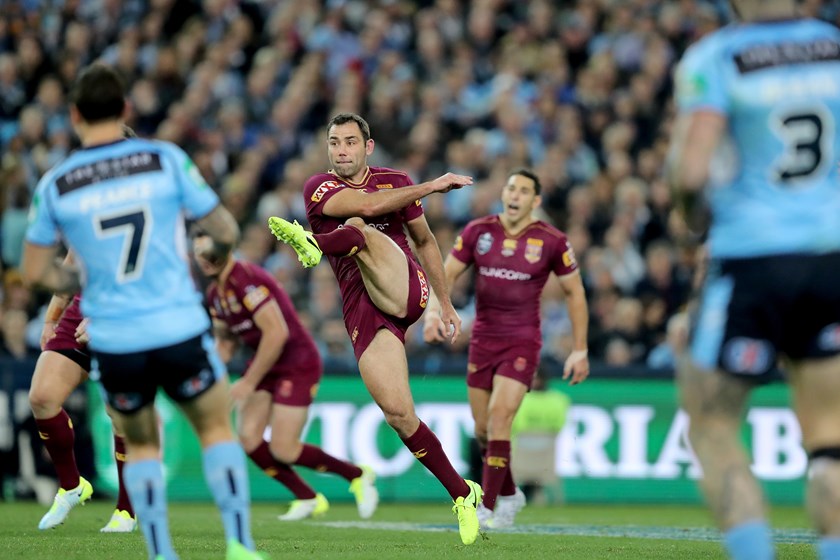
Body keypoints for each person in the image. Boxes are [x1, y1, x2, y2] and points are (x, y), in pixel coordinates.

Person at [21, 64, 266, 560]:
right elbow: (223, 229)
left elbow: (37, 269)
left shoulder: (59, 183)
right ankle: (239, 544)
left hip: (114, 328)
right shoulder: (165, 159)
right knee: (215, 428)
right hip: (173, 318)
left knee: (139, 438)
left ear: (73, 116)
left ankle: (156, 547)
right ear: (125, 110)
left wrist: (97, 287)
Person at [668, 2, 840, 559]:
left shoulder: (717, 57)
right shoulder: (834, 46)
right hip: (831, 257)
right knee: (830, 444)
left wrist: (691, 217)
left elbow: (693, 171)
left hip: (751, 260)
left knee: (714, 426)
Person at [268, 112, 482, 545]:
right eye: (334, 142)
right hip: (363, 309)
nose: (341, 150)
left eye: (349, 142)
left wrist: (445, 304)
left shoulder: (395, 179)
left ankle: (314, 245)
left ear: (368, 147)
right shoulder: (319, 186)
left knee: (358, 229)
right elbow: (365, 204)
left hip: (405, 286)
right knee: (399, 415)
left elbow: (423, 241)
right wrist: (432, 185)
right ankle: (462, 493)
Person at [423, 169, 590, 529]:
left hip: (522, 341)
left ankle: (488, 504)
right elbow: (447, 273)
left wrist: (579, 348)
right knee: (483, 430)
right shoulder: (478, 231)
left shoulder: (552, 241)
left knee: (500, 418)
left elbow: (575, 292)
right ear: (504, 193)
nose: (515, 195)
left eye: (524, 190)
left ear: (536, 201)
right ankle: (512, 492)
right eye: (511, 188)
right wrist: (434, 311)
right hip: (483, 339)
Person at [192, 230, 379, 521]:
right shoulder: (215, 294)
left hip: (296, 361)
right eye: (199, 255)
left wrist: (249, 381)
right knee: (249, 438)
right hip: (266, 362)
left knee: (284, 448)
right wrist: (208, 377)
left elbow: (277, 334)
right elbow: (226, 343)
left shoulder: (246, 279)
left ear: (225, 247)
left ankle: (356, 475)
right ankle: (307, 497)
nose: (205, 260)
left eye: (209, 251)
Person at [30, 263, 136, 532]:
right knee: (42, 397)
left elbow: (149, 272)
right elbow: (70, 269)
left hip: (127, 315)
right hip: (80, 312)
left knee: (120, 413)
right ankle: (71, 485)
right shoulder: (81, 219)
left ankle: (126, 509)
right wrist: (51, 319)